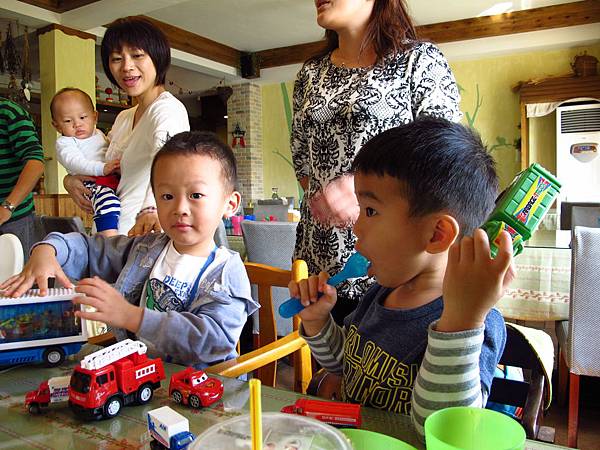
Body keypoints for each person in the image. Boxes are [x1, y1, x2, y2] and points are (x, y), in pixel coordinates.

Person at [290, 118, 513, 439]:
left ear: (436, 234)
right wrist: (318, 322)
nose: (356, 227)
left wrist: (461, 322)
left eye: (370, 211)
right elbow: (346, 366)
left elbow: (446, 433)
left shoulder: (476, 321)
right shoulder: (378, 294)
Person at [1, 131, 258, 368]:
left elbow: (213, 341)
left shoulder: (227, 272)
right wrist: (48, 249)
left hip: (203, 392)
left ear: (230, 204)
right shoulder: (145, 249)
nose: (180, 207)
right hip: (142, 378)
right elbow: (90, 249)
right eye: (167, 196)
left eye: (196, 195)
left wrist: (132, 317)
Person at [292, 0, 462, 324]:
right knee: (333, 365)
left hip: (396, 261)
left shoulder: (419, 60)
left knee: (389, 367)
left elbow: (446, 153)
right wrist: (327, 203)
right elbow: (302, 158)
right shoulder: (310, 74)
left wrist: (361, 189)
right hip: (323, 257)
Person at [63, 17, 190, 236]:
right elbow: (98, 160)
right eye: (116, 59)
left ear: (157, 57)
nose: (127, 67)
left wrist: (151, 209)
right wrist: (69, 180)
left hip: (143, 236)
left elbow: (172, 163)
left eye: (137, 55)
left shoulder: (167, 110)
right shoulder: (123, 117)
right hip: (109, 236)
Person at [51, 88, 121, 237]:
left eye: (83, 117)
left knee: (113, 201)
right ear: (57, 126)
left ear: (95, 117)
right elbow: (76, 163)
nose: (77, 124)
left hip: (110, 177)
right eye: (68, 121)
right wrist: (102, 169)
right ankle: (109, 237)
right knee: (107, 201)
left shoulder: (99, 134)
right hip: (92, 182)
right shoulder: (65, 143)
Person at [0, 97, 44, 261]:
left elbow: (35, 162)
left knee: (19, 281)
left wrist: (7, 207)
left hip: (14, 218)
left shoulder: (8, 113)